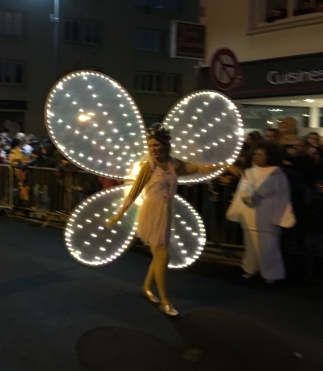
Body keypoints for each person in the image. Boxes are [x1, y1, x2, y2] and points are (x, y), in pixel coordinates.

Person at [106, 126, 225, 317]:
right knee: (162, 255)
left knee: (161, 255)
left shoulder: (173, 164)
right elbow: (135, 191)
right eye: (150, 145)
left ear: (166, 146)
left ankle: (146, 287)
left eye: (156, 145)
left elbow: (197, 168)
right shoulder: (148, 166)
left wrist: (223, 165)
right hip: (152, 213)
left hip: (166, 213)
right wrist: (119, 214)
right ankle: (165, 301)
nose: (153, 148)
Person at [226, 141, 295, 283]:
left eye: (261, 154)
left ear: (269, 156)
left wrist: (281, 216)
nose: (257, 157)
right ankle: (250, 269)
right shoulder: (250, 172)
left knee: (268, 246)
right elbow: (241, 192)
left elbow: (282, 197)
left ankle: (271, 274)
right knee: (250, 245)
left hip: (267, 216)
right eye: (256, 154)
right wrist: (241, 205)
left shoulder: (277, 175)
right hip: (249, 214)